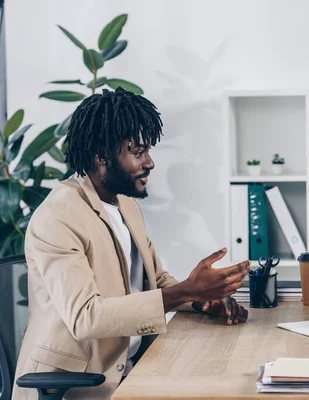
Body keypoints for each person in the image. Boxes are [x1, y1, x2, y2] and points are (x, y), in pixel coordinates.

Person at [13, 88, 251, 400]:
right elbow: (86, 316)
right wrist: (188, 290)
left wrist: (200, 300)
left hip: (136, 366)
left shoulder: (125, 205)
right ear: (102, 156)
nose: (150, 163)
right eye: (138, 152)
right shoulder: (59, 216)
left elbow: (154, 279)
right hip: (76, 385)